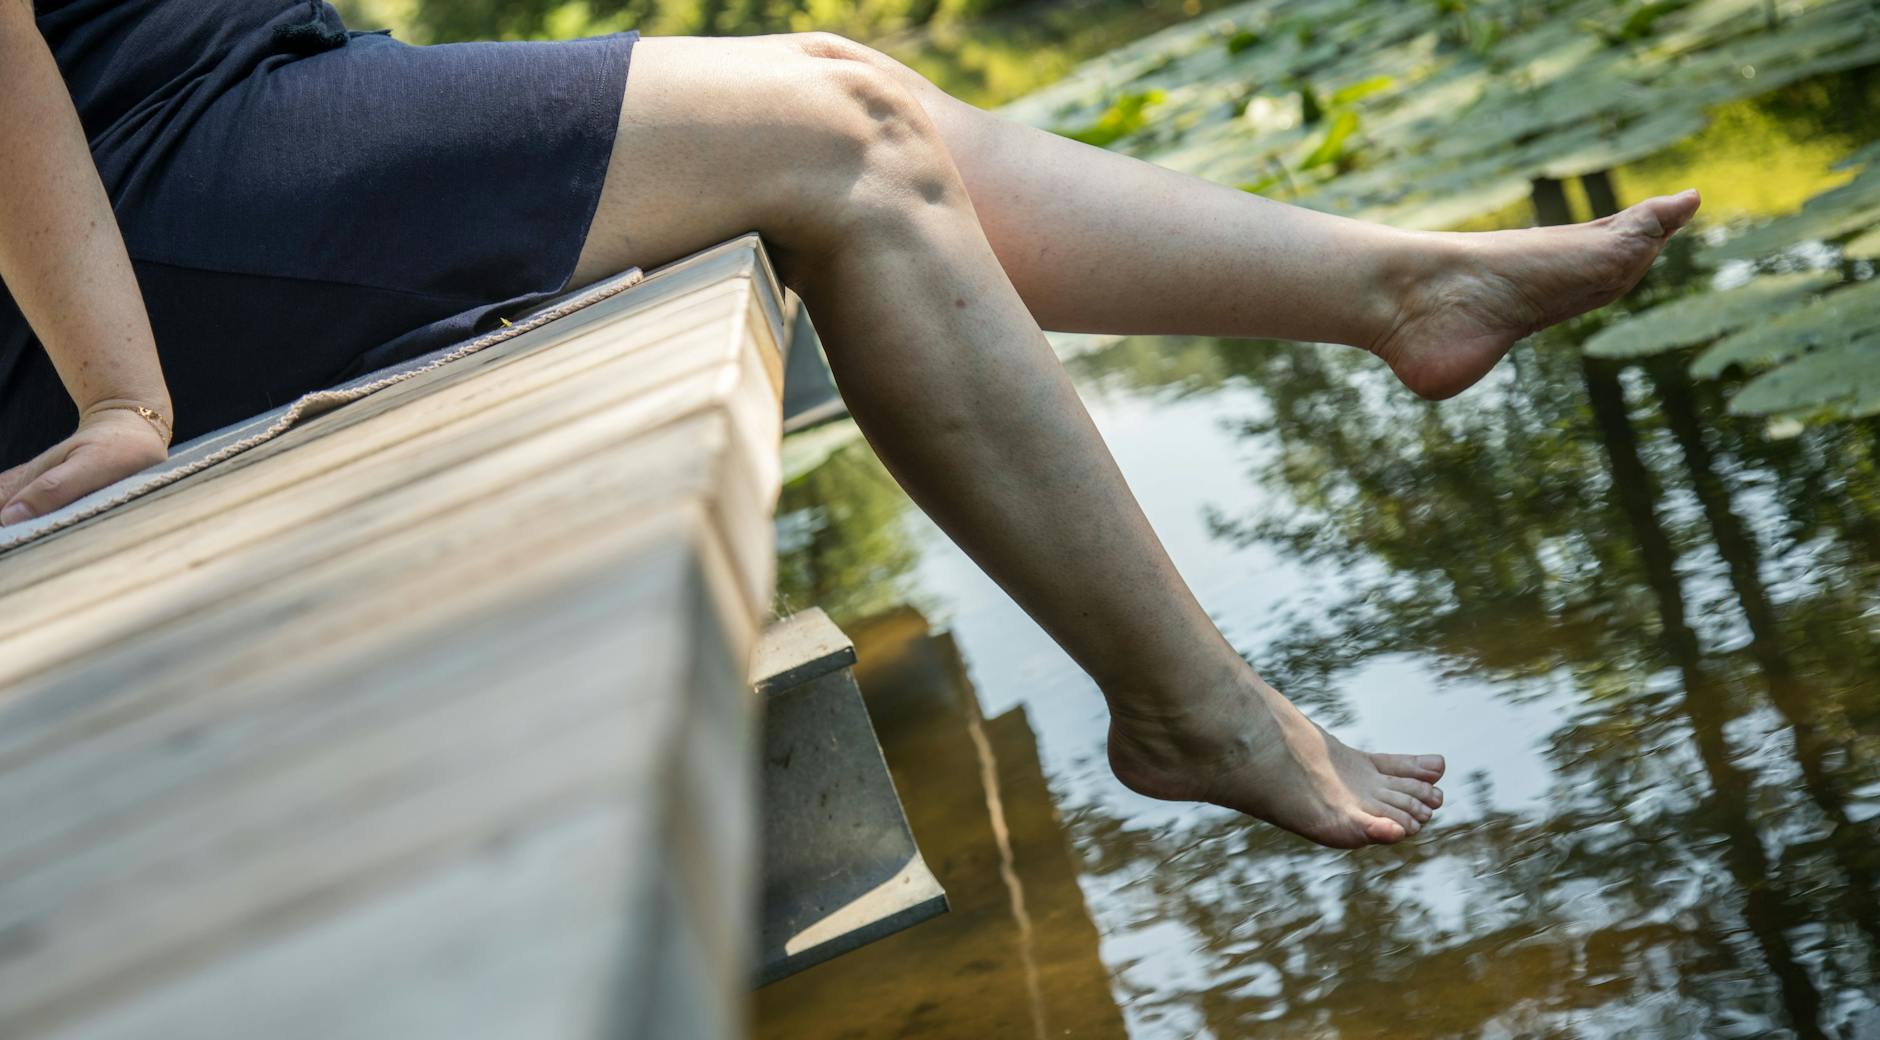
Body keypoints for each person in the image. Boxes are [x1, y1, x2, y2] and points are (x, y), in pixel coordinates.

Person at [0, 0, 1700, 848]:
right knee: (836, 135)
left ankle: (1397, 293)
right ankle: (1195, 710)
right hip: (112, 201)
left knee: (838, 78)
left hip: (211, 90)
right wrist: (118, 390)